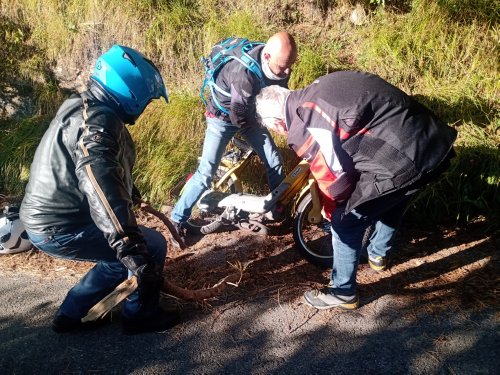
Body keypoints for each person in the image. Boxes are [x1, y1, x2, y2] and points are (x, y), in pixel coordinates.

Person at [255, 70, 457, 310]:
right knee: (395, 195)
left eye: (275, 129)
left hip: (403, 158)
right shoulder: (321, 85)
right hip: (434, 142)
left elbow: (334, 180)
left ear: (277, 122)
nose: (280, 132)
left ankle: (343, 292)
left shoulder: (302, 125)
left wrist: (334, 212)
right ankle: (378, 254)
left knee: (345, 221)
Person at [20, 45, 179, 334]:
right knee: (150, 246)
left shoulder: (83, 106)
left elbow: (101, 168)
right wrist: (130, 245)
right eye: (147, 100)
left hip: (48, 220)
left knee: (117, 259)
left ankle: (71, 314)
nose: (146, 108)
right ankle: (140, 315)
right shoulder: (99, 121)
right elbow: (98, 180)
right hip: (61, 225)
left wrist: (130, 190)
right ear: (133, 95)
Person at [170, 32, 298, 246]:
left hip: (252, 111)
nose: (286, 72)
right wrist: (266, 125)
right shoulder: (243, 75)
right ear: (267, 57)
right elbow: (239, 118)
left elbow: (280, 96)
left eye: (290, 66)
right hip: (223, 118)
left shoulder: (279, 64)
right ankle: (177, 219)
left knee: (273, 159)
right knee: (206, 171)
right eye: (283, 66)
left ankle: (279, 208)